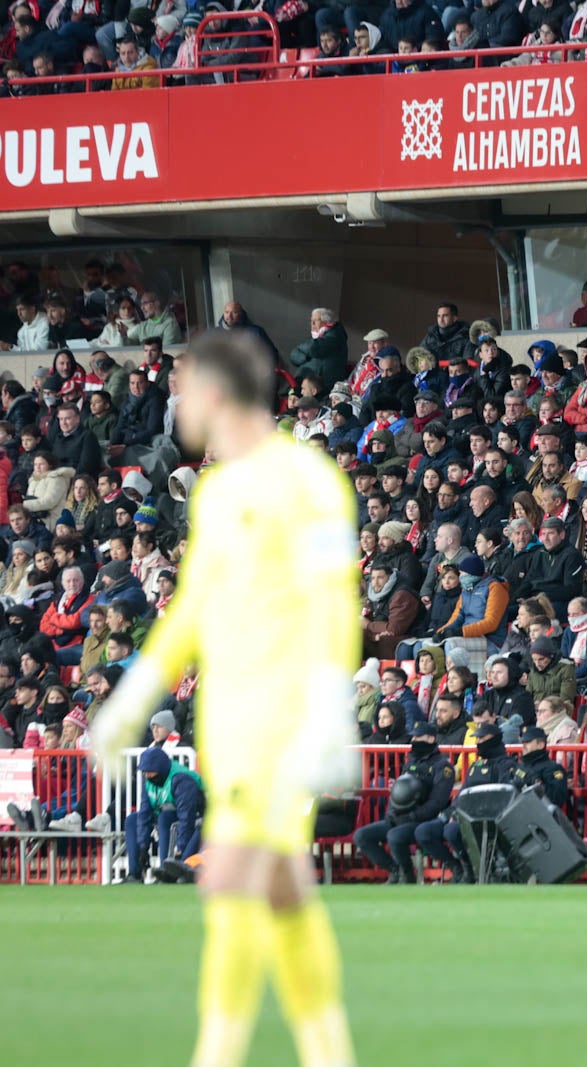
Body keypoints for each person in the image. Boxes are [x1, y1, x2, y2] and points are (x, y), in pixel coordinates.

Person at [89, 331, 363, 1067]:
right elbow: (192, 611)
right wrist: (131, 699)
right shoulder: (216, 490)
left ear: (212, 393)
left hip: (284, 720)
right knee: (279, 892)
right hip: (230, 725)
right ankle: (327, 1049)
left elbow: (333, 601)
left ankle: (219, 1051)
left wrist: (331, 707)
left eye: (178, 386)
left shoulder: (307, 480)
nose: (171, 401)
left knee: (233, 886)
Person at [412, 723, 521, 884]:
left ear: (496, 739)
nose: (478, 742)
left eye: (482, 738)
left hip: (484, 818)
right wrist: (452, 812)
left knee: (451, 831)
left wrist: (465, 814)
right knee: (423, 832)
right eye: (477, 738)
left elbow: (502, 796)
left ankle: (471, 869)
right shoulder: (475, 766)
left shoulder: (506, 765)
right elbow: (463, 793)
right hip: (462, 815)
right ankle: (458, 867)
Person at [352, 726, 457, 884]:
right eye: (413, 738)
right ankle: (395, 870)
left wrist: (411, 817)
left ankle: (407, 877)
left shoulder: (442, 766)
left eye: (418, 737)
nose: (413, 741)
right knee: (362, 836)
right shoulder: (410, 762)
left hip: (424, 821)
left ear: (431, 739)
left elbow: (437, 803)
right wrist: (391, 813)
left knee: (395, 836)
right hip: (401, 817)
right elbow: (398, 793)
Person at [122, 746, 206, 883]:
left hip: (195, 816)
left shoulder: (182, 779)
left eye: (149, 772)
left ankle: (166, 868)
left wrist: (180, 849)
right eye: (144, 772)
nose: (146, 776)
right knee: (132, 819)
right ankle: (135, 873)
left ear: (160, 769)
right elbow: (145, 812)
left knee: (164, 818)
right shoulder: (149, 779)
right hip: (170, 813)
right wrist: (143, 846)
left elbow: (187, 818)